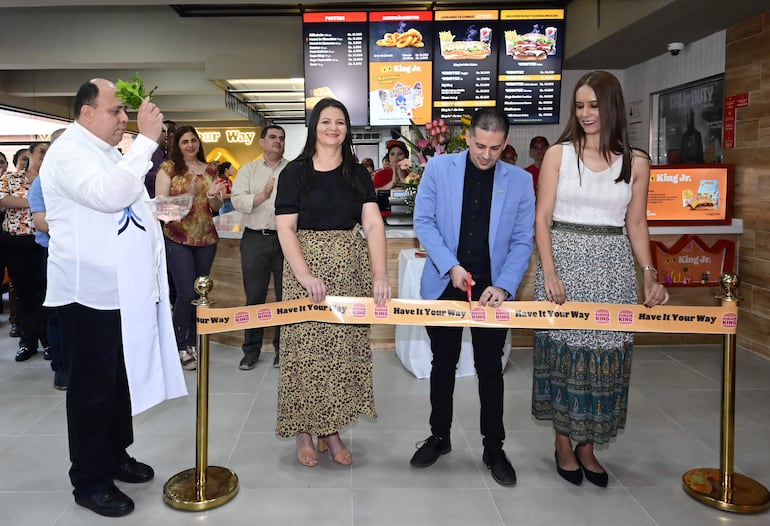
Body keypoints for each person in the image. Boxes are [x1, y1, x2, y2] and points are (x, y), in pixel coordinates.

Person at [40, 78, 186, 517]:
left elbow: (132, 207)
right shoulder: (69, 153)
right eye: (116, 111)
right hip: (88, 293)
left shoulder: (106, 152)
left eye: (125, 112)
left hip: (123, 289)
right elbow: (107, 197)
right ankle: (89, 479)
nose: (123, 118)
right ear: (87, 112)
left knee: (119, 380)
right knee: (91, 388)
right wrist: (144, 141)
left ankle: (115, 454)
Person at [532, 70, 669, 487]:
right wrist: (550, 272)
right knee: (563, 359)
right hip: (564, 265)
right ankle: (562, 441)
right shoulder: (559, 154)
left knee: (604, 362)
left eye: (593, 105)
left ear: (611, 106)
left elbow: (637, 223)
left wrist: (649, 274)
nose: (586, 113)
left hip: (612, 269)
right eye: (579, 106)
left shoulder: (637, 161)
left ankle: (587, 446)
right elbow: (542, 219)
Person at [410, 108, 535, 487]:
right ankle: (439, 437)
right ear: (468, 138)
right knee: (442, 362)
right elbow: (424, 222)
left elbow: (521, 240)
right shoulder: (439, 168)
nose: (486, 154)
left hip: (492, 289)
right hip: (446, 281)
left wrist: (505, 285)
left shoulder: (519, 182)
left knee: (490, 367)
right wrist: (450, 266)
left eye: (495, 148)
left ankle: (494, 447)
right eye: (480, 145)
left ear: (506, 144)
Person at [274, 98, 390, 468]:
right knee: (306, 354)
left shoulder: (357, 173)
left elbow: (372, 224)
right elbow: (285, 227)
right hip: (304, 274)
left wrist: (379, 273)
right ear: (314, 127)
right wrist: (305, 274)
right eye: (326, 121)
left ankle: (331, 429)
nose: (333, 128)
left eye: (340, 122)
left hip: (349, 275)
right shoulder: (296, 172)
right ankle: (305, 432)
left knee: (341, 356)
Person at [156, 125, 227, 371]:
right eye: (185, 141)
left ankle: (194, 343)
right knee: (185, 293)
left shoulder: (210, 169)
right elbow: (161, 209)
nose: (190, 145)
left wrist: (213, 195)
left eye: (193, 140)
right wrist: (189, 193)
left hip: (206, 239)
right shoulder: (168, 169)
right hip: (178, 238)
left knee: (199, 295)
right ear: (177, 145)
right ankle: (179, 346)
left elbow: (215, 207)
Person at [231, 124, 288, 370]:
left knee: (286, 298)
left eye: (282, 138)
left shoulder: (293, 170)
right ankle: (251, 351)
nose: (278, 141)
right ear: (262, 142)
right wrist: (262, 196)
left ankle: (282, 350)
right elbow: (237, 200)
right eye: (273, 137)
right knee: (254, 297)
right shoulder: (248, 170)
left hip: (286, 241)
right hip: (255, 239)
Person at [0, 142, 50, 362]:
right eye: (41, 152)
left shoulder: (53, 178)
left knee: (45, 292)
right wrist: (34, 202)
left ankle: (48, 340)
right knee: (24, 292)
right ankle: (27, 340)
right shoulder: (12, 178)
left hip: (44, 242)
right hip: (17, 242)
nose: (44, 157)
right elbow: (3, 199)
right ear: (29, 154)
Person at [29, 128, 68, 389]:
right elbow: (42, 223)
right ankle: (62, 367)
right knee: (58, 311)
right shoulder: (41, 183)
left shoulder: (84, 178)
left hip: (89, 253)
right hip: (55, 252)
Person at [144, 119, 177, 198]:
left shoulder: (180, 156)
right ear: (158, 134)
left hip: (177, 202)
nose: (169, 135)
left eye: (173, 132)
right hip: (155, 202)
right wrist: (164, 176)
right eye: (164, 131)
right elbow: (142, 177)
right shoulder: (149, 154)